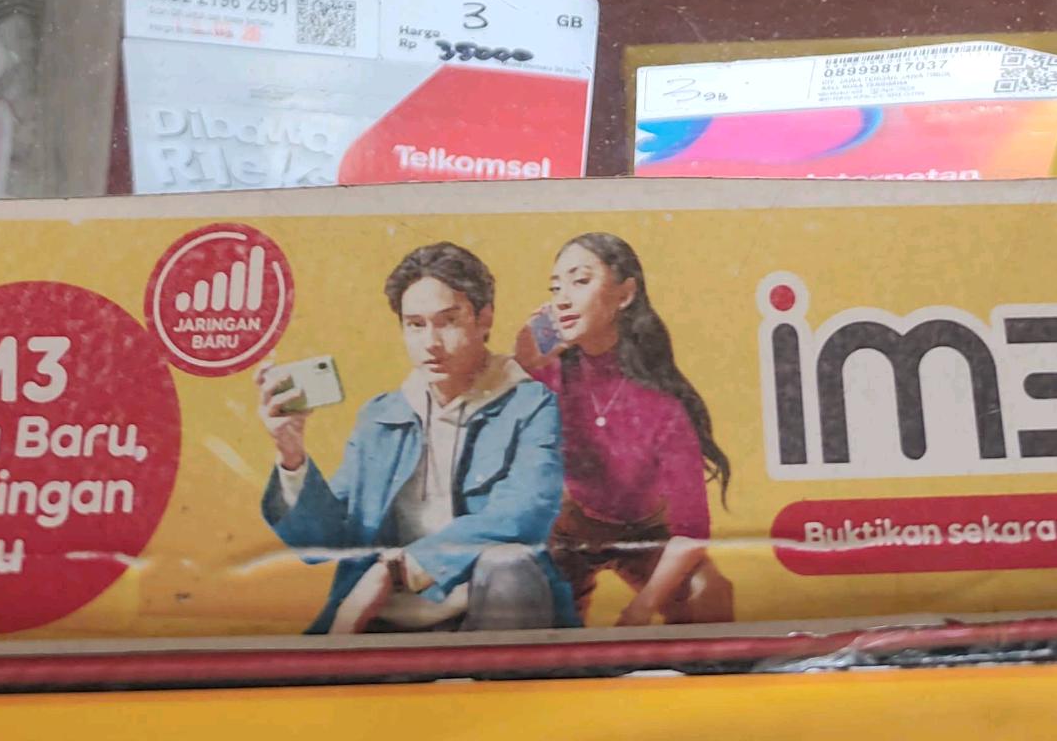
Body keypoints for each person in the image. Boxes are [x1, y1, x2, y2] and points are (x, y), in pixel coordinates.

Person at [259, 239, 575, 635]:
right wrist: (291, 454)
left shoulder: (529, 404)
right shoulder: (381, 415)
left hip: (490, 606)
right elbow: (329, 540)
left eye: (448, 321)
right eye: (415, 324)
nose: (431, 344)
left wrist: (402, 568)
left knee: (508, 562)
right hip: (386, 617)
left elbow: (525, 513)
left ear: (485, 318)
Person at [516, 231, 734, 627]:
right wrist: (522, 366)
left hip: (644, 532)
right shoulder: (546, 375)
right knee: (522, 595)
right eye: (555, 287)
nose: (562, 299)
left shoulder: (663, 404)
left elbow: (692, 531)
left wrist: (641, 608)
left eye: (580, 281)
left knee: (708, 592)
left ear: (625, 294)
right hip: (569, 528)